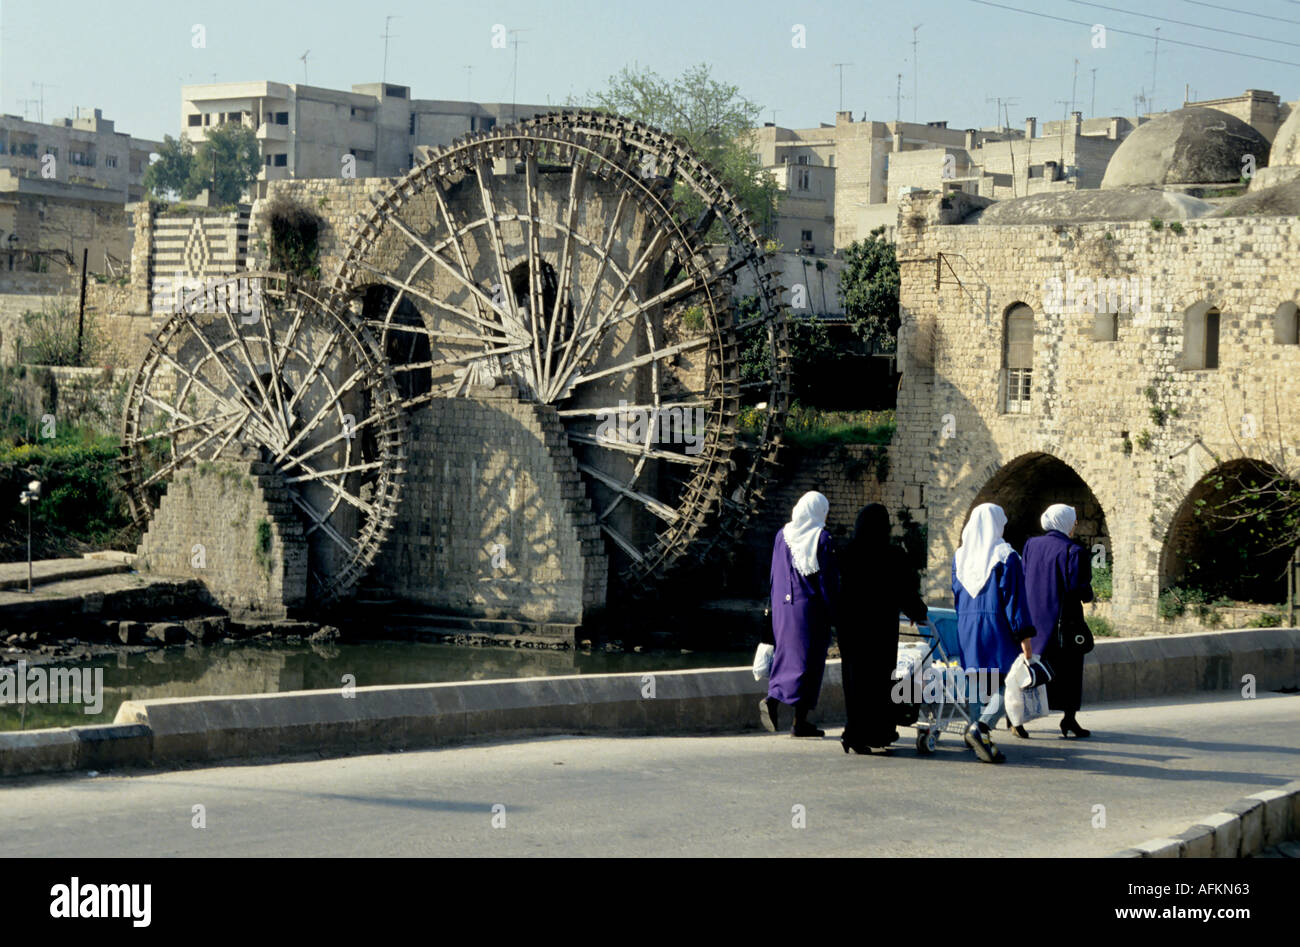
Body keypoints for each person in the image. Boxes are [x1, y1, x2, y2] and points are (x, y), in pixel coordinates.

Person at [836, 503, 928, 754]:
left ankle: (854, 732)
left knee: (854, 680)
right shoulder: (892, 555)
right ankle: (876, 733)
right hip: (878, 630)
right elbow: (905, 591)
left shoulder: (847, 553)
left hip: (850, 628)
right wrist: (919, 614)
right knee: (877, 681)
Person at [952, 503, 1036, 764]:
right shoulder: (1005, 555)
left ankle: (973, 731)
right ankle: (983, 727)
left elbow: (956, 594)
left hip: (966, 624)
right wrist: (1024, 636)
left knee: (976, 680)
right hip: (996, 624)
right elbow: (1014, 599)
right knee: (1010, 682)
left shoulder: (960, 557)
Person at [763, 491, 839, 738]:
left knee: (787, 657)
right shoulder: (822, 539)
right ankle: (792, 715)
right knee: (809, 664)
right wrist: (834, 613)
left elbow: (774, 573)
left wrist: (775, 606)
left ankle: (782, 704)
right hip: (809, 611)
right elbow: (827, 581)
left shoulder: (781, 536)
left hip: (783, 609)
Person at [1023, 503, 1095, 738]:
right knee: (1070, 672)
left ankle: (1016, 721)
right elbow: (1078, 588)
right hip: (1063, 623)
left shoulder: (1030, 545)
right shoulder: (1074, 552)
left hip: (1034, 622)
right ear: (1065, 523)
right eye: (1073, 521)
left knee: (1030, 669)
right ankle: (1069, 719)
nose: (1075, 526)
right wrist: (1089, 593)